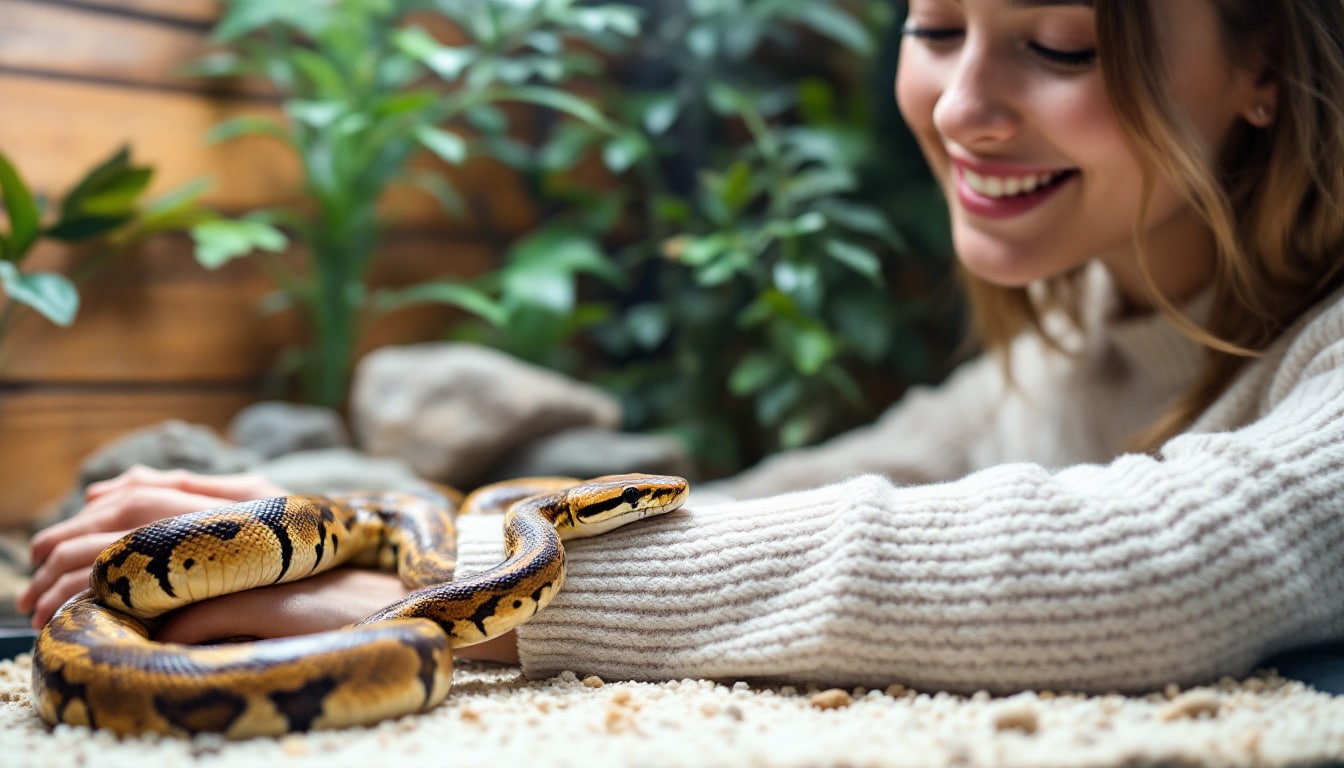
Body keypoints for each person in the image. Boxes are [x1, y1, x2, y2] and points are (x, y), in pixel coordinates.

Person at [19, 0, 1344, 693]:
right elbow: (793, 499)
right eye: (934, 28)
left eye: (1065, 44)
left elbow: (1171, 559)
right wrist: (365, 528)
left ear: (1262, 68)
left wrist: (452, 599)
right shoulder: (1065, 349)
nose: (961, 106)